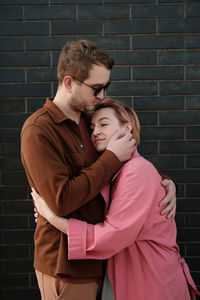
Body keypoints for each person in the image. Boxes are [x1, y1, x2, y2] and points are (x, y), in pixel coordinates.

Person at [21, 40, 176, 300]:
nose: (101, 95)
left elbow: (124, 170)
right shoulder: (39, 131)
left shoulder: (89, 122)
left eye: (106, 87)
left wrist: (163, 183)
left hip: (107, 263)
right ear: (69, 82)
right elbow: (62, 200)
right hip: (67, 268)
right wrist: (112, 158)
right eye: (96, 88)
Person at [32, 99, 199, 300]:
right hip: (133, 274)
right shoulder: (116, 171)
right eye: (92, 127)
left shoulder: (137, 171)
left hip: (151, 278)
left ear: (126, 127)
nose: (95, 132)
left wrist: (53, 218)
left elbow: (111, 235)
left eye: (104, 124)